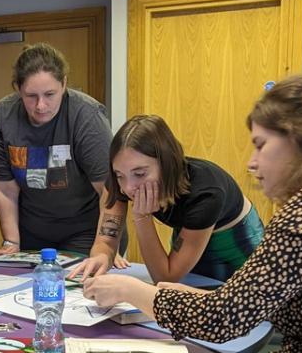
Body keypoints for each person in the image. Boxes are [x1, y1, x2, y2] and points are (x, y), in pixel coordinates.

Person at [84, 74, 302, 353]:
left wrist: (129, 289)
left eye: (261, 145)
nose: (252, 163)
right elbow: (239, 304)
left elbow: (226, 317)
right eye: (121, 176)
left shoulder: (294, 220)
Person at [72, 114, 264, 283]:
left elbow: (166, 276)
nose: (128, 187)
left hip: (236, 245)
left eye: (140, 174)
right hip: (191, 235)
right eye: (119, 174)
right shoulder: (123, 179)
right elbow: (105, 241)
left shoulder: (206, 194)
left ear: (167, 164)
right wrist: (101, 256)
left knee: (238, 312)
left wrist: (142, 217)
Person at [0, 42, 127, 260]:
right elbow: (5, 188)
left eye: (50, 94)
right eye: (31, 96)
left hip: (87, 231)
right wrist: (11, 242)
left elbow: (110, 190)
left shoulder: (86, 116)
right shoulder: (3, 117)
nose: (41, 105)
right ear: (18, 89)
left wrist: (105, 246)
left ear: (64, 84)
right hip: (33, 232)